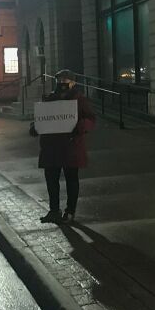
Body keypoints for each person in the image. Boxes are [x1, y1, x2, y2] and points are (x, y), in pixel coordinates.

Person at [29, 70, 96, 224]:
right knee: (51, 180)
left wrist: (81, 126)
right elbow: (43, 117)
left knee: (71, 180)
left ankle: (70, 211)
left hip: (70, 146)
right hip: (51, 147)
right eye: (59, 80)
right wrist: (36, 126)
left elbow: (90, 118)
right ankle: (54, 210)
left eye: (65, 80)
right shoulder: (49, 99)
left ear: (73, 82)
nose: (62, 83)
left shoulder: (79, 99)